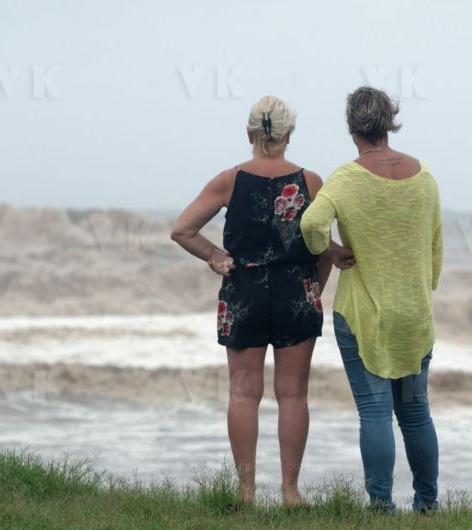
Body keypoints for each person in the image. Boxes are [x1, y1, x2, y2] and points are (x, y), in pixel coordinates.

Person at [171, 96, 350, 506]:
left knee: (242, 394)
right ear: (289, 134)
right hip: (296, 293)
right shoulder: (311, 181)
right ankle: (291, 493)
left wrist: (215, 257)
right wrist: (328, 267)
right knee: (292, 395)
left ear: (249, 133)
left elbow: (182, 230)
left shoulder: (230, 180)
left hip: (244, 292)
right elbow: (321, 243)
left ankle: (246, 493)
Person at [300, 86, 443, 514]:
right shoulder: (425, 178)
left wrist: (329, 251)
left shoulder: (346, 177)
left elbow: (311, 224)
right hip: (415, 316)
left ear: (351, 127)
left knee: (375, 414)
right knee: (416, 415)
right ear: (389, 121)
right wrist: (419, 290)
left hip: (363, 314)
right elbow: (435, 251)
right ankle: (428, 506)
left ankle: (381, 508)